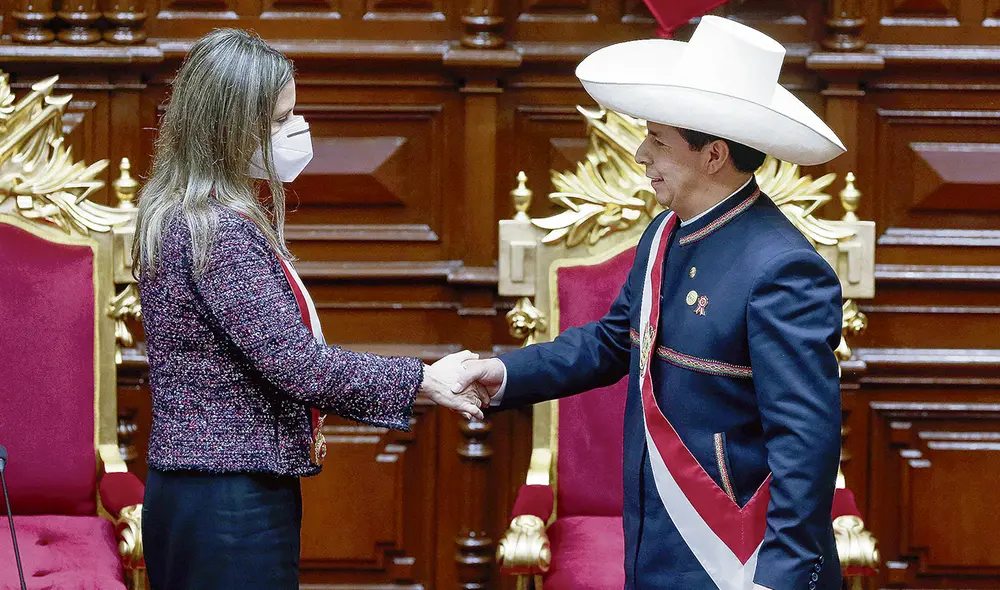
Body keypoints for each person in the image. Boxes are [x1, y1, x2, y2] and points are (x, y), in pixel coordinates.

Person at [452, 16, 847, 590]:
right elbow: (614, 341)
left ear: (713, 155)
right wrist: (505, 373)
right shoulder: (664, 233)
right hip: (656, 546)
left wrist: (779, 579)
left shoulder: (784, 269)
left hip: (739, 560)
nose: (640, 154)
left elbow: (805, 443)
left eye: (658, 141)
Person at [134, 28, 488, 590]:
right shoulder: (216, 229)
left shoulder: (181, 209)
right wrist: (423, 378)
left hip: (204, 486)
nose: (295, 130)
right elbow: (298, 365)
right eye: (279, 120)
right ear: (229, 126)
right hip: (229, 502)